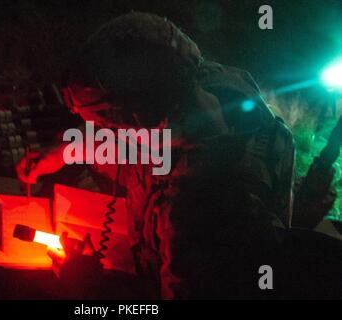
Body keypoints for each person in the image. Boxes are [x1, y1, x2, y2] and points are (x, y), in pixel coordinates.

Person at [17, 12, 337, 299]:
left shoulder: (200, 218)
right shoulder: (210, 87)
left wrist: (86, 286)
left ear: (139, 117)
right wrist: (73, 150)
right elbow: (146, 152)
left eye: (103, 121)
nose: (103, 129)